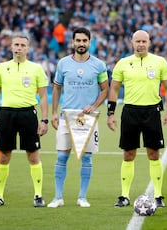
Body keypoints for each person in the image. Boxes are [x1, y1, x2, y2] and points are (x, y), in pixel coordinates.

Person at [107, 30, 167, 208]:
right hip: (130, 112)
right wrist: (111, 113)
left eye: (144, 41)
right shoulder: (123, 63)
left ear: (150, 42)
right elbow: (113, 89)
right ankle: (124, 195)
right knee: (128, 154)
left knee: (154, 153)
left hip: (152, 112)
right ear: (132, 43)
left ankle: (158, 195)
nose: (141, 44)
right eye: (138, 41)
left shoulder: (160, 62)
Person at [0, 32, 49, 207]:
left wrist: (44, 120)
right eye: (16, 45)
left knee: (33, 155)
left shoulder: (36, 68)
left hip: (28, 114)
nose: (19, 47)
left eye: (22, 45)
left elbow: (43, 97)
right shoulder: (1, 68)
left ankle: (38, 196)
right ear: (11, 46)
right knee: (4, 156)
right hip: (5, 115)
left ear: (28, 48)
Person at [47, 27, 109, 208]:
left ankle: (82, 197)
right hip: (67, 116)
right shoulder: (63, 64)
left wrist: (94, 106)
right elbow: (57, 87)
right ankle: (58, 197)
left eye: (84, 41)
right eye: (78, 40)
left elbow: (105, 89)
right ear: (72, 42)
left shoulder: (99, 65)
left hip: (88, 117)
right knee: (61, 157)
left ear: (89, 42)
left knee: (87, 158)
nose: (81, 44)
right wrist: (53, 113)